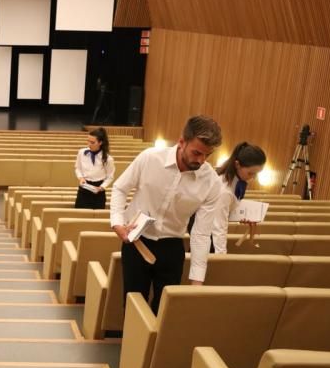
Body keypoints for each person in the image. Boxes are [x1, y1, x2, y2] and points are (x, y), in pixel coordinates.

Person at [109, 115, 224, 314]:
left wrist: (197, 279)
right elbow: (120, 188)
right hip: (137, 242)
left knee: (164, 310)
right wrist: (117, 222)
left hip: (172, 248)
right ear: (181, 142)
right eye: (197, 153)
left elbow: (201, 233)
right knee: (133, 306)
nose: (202, 160)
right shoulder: (149, 158)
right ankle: (133, 345)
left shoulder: (212, 182)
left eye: (208, 154)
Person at [210, 142, 267, 253]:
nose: (253, 178)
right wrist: (221, 257)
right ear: (237, 165)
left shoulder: (236, 179)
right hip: (207, 236)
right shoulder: (225, 190)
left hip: (212, 230)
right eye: (251, 173)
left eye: (256, 174)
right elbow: (218, 228)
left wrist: (241, 214)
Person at [74, 128, 115, 209]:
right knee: (80, 216)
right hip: (84, 188)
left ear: (100, 142)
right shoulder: (81, 152)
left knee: (96, 218)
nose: (89, 144)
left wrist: (102, 187)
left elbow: (110, 177)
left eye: (92, 142)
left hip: (98, 190)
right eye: (88, 141)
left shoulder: (108, 159)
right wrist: (81, 178)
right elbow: (77, 168)